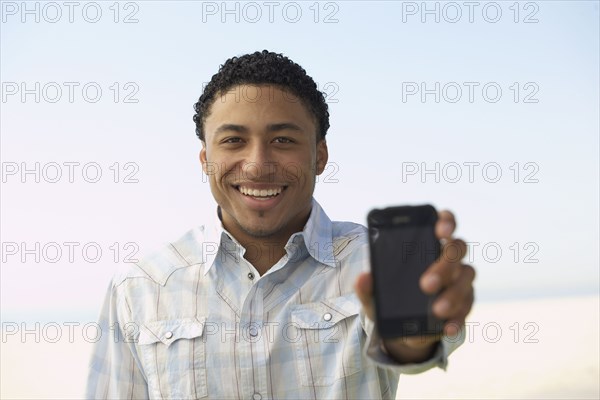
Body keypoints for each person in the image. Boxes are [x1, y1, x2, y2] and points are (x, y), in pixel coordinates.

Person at [86, 50, 475, 399]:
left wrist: (417, 338)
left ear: (319, 155)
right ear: (205, 159)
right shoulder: (139, 287)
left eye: (283, 140)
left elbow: (412, 348)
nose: (257, 164)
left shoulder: (377, 260)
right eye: (234, 141)